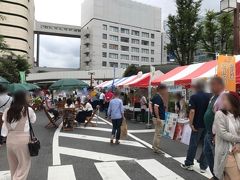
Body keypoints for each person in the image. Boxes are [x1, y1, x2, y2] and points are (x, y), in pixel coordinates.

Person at [1, 91, 36, 180]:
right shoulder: (28, 110)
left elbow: (4, 129)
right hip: (22, 141)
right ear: (23, 98)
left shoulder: (7, 111)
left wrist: (2, 140)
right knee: (24, 165)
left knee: (13, 165)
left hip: (10, 140)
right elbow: (33, 120)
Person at [181, 80, 210, 172]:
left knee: (193, 145)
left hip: (197, 125)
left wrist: (190, 123)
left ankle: (189, 163)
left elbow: (192, 111)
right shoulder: (210, 96)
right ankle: (203, 166)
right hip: (208, 125)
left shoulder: (194, 97)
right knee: (206, 145)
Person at [213, 92, 240, 180]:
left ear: (233, 101)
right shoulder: (220, 114)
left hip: (237, 152)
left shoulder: (237, 116)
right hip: (226, 153)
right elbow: (223, 133)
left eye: (226, 100)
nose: (223, 102)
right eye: (222, 100)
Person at [203, 77, 225, 179]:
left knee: (217, 156)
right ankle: (215, 175)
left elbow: (224, 116)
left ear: (220, 85)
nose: (211, 87)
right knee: (208, 153)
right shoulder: (213, 97)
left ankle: (219, 176)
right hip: (209, 132)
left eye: (213, 85)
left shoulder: (224, 97)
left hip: (215, 134)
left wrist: (216, 134)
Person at [151, 84, 168, 153]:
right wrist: (158, 117)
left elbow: (150, 104)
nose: (165, 91)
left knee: (157, 132)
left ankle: (154, 145)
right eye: (164, 90)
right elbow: (155, 107)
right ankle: (156, 148)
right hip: (159, 118)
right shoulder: (158, 97)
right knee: (158, 133)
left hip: (157, 117)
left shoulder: (156, 96)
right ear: (161, 90)